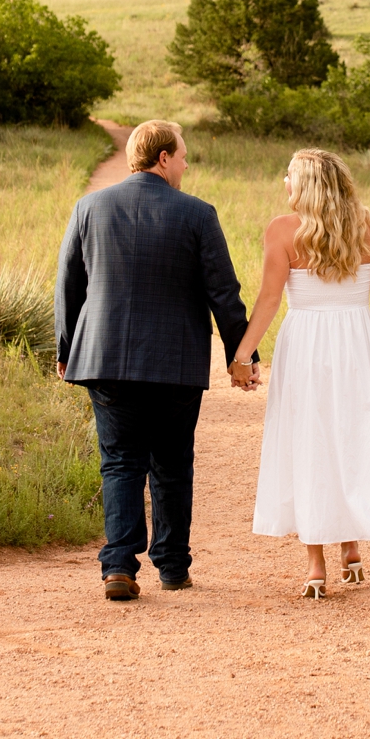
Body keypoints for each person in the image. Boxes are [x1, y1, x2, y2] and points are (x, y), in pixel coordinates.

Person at [53, 119, 254, 602]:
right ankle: (171, 566)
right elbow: (223, 292)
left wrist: (66, 351)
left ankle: (119, 566)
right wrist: (239, 355)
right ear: (163, 158)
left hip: (106, 358)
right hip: (176, 362)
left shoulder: (89, 207)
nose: (185, 165)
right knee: (172, 462)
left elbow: (68, 287)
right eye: (183, 156)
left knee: (120, 462)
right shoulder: (198, 214)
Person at [233, 147, 370, 598]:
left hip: (306, 344)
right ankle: (350, 548)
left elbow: (270, 299)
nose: (284, 183)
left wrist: (242, 355)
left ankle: (316, 566)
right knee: (349, 436)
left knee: (308, 439)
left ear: (307, 184)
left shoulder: (282, 230)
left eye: (289, 176)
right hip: (354, 341)